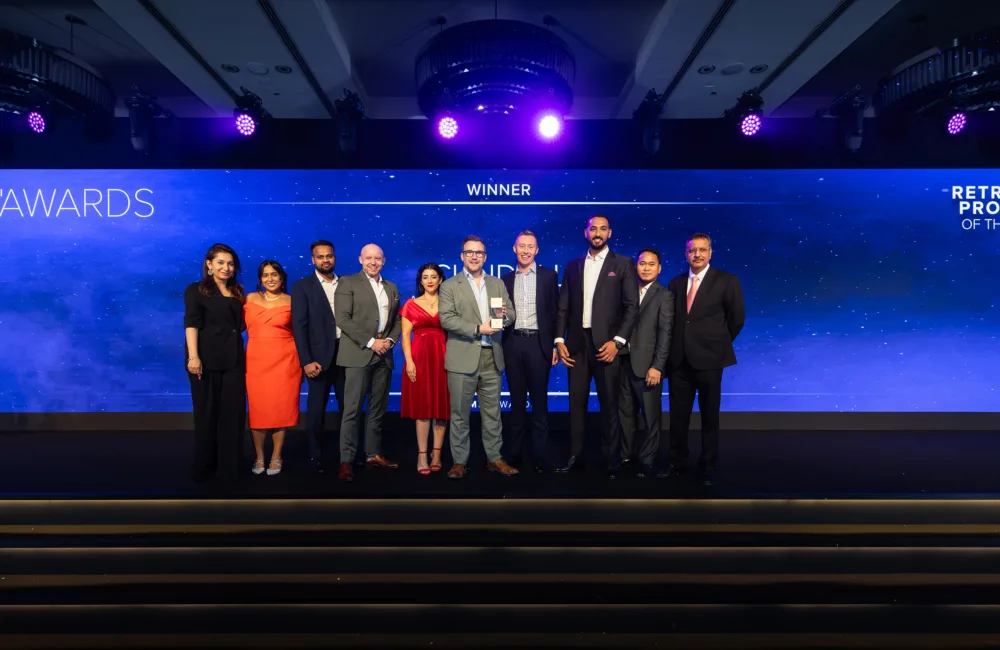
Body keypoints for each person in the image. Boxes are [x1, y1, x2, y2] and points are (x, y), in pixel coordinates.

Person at [554, 215, 639, 478]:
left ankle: (611, 461)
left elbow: (631, 307)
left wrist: (618, 342)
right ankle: (575, 457)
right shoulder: (573, 266)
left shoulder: (623, 264)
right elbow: (563, 307)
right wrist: (559, 340)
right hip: (577, 346)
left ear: (610, 233)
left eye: (603, 229)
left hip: (607, 347)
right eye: (593, 229)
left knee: (610, 405)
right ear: (586, 233)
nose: (598, 233)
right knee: (576, 405)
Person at [662, 233, 745, 486]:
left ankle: (708, 465)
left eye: (702, 250)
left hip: (710, 360)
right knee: (678, 417)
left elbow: (737, 319)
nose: (696, 254)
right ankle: (677, 463)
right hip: (679, 361)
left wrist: (717, 343)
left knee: (710, 416)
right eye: (691, 250)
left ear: (710, 252)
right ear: (685, 254)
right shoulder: (675, 283)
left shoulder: (727, 280)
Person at [438, 235, 518, 479]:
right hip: (462, 358)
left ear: (485, 257)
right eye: (470, 252)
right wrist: (478, 329)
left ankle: (494, 458)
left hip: (491, 357)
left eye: (479, 253)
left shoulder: (497, 283)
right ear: (462, 256)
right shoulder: (450, 285)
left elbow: (511, 313)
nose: (474, 256)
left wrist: (501, 319)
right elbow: (446, 318)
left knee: (492, 414)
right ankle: (459, 462)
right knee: (460, 414)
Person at [334, 244, 401, 482]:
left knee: (377, 410)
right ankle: (346, 461)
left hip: (384, 355)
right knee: (351, 411)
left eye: (377, 258)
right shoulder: (348, 283)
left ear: (384, 260)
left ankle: (373, 454)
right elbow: (342, 318)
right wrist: (372, 342)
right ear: (360, 259)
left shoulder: (391, 287)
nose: (373, 262)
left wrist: (389, 341)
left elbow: (397, 320)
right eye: (368, 258)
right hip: (358, 354)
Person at [184, 243, 246, 482]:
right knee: (207, 413)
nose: (226, 267)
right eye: (220, 262)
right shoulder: (196, 290)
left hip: (234, 359)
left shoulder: (238, 291)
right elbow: (191, 324)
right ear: (209, 264)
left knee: (232, 415)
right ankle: (205, 466)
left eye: (230, 263)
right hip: (204, 359)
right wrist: (193, 356)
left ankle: (230, 467)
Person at [501, 230, 559, 473]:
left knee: (539, 403)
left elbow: (557, 313)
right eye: (521, 246)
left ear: (537, 250)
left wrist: (556, 343)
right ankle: (513, 454)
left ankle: (540, 455)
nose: (525, 250)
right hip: (513, 344)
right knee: (515, 403)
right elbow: (499, 316)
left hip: (538, 344)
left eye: (530, 247)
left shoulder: (548, 276)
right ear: (514, 249)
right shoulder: (504, 280)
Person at [617, 248, 674, 478]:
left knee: (651, 417)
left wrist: (657, 366)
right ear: (636, 266)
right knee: (625, 414)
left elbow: (665, 333)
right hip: (623, 362)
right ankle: (626, 456)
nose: (646, 267)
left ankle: (647, 459)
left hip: (648, 366)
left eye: (652, 264)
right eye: (642, 263)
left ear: (659, 268)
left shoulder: (664, 295)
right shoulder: (626, 292)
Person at [291, 240, 343, 474]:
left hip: (346, 356)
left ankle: (347, 455)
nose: (325, 260)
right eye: (320, 256)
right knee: (315, 411)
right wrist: (306, 360)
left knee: (348, 410)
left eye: (329, 256)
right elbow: (299, 327)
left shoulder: (347, 284)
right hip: (318, 360)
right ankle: (316, 456)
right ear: (313, 259)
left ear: (334, 257)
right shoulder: (302, 286)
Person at [245, 259, 299, 476]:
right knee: (258, 411)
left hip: (285, 361)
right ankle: (259, 456)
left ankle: (276, 456)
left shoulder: (293, 301)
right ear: (260, 279)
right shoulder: (249, 299)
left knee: (280, 409)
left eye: (274, 274)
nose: (270, 279)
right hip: (256, 361)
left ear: (282, 277)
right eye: (265, 275)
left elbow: (301, 333)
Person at [400, 263, 450, 475]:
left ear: (440, 279)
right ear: (420, 281)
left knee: (441, 408)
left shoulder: (449, 303)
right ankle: (422, 454)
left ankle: (436, 453)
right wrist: (410, 362)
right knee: (422, 409)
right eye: (425, 277)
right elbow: (404, 336)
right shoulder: (410, 305)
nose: (429, 280)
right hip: (419, 358)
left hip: (444, 358)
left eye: (434, 276)